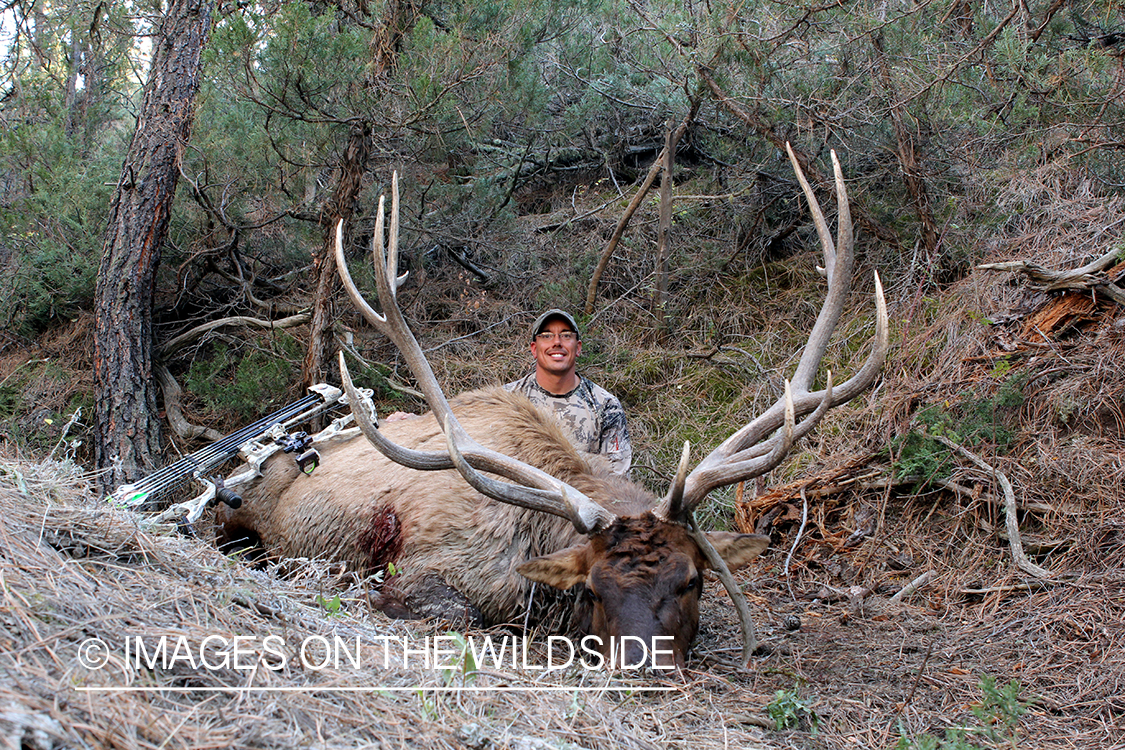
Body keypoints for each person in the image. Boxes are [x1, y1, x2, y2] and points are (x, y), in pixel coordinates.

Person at [504, 309, 632, 476]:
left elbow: (618, 481)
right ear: (534, 349)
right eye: (547, 335)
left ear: (578, 348)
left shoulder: (606, 406)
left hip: (585, 499)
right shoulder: (506, 400)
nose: (557, 342)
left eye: (566, 335)